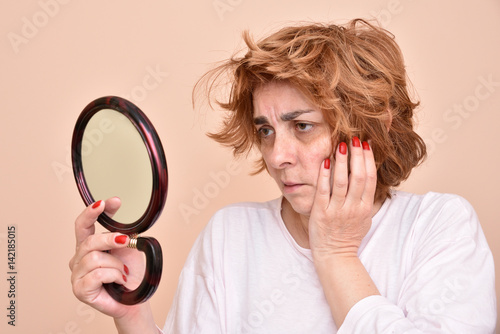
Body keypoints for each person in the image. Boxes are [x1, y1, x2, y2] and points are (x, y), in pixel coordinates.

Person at [69, 19, 497, 333]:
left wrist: (337, 254)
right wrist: (131, 313)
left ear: (374, 126)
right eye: (265, 130)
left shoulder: (440, 227)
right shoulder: (230, 234)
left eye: (303, 126)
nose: (277, 156)